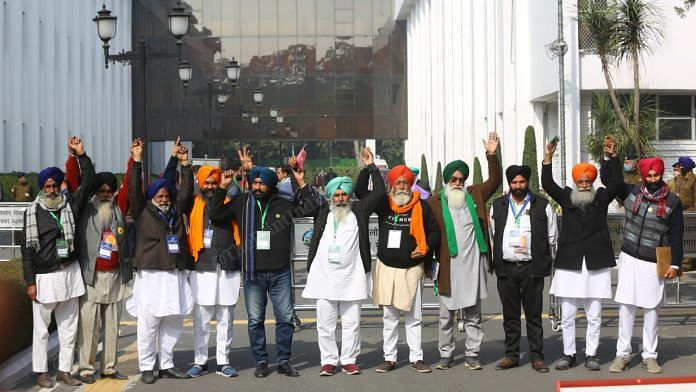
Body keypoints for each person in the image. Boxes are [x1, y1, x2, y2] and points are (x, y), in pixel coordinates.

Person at [211, 149, 317, 378]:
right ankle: (261, 361)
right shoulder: (242, 202)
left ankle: (284, 361)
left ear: (271, 185)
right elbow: (215, 215)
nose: (257, 187)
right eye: (254, 183)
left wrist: (300, 181)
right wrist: (221, 187)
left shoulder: (285, 203)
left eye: (261, 183)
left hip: (280, 273)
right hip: (253, 274)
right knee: (255, 321)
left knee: (285, 319)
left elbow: (313, 207)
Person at [301, 147, 384, 376]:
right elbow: (307, 199)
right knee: (324, 323)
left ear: (349, 196)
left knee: (351, 323)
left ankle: (348, 359)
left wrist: (371, 167)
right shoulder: (321, 211)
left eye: (343, 194)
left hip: (352, 276)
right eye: (336, 195)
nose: (340, 198)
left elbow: (378, 193)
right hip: (324, 277)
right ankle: (328, 360)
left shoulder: (359, 209)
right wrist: (300, 180)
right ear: (330, 196)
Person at [22, 137, 95, 388]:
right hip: (45, 277)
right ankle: (41, 372)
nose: (52, 190)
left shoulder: (70, 206)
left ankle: (65, 370)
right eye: (48, 186)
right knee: (41, 329)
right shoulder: (32, 213)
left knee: (68, 327)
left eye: (55, 186)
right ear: (42, 188)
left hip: (70, 273)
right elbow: (27, 251)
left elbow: (89, 184)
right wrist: (30, 282)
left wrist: (81, 155)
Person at [542, 139, 621, 371]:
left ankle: (591, 354)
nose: (584, 184)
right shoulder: (566, 197)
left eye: (588, 181)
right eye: (580, 181)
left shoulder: (602, 197)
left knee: (594, 315)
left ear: (592, 182)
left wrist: (613, 157)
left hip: (595, 263)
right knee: (567, 314)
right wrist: (548, 158)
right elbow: (547, 183)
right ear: (575, 182)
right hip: (570, 263)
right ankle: (568, 354)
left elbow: (617, 183)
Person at [601, 157, 683, 374]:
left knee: (651, 310)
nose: (653, 179)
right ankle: (623, 355)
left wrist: (675, 265)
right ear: (643, 176)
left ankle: (650, 356)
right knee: (626, 308)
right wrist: (612, 158)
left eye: (656, 175)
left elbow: (676, 236)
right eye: (649, 175)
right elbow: (609, 180)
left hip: (654, 262)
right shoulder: (631, 192)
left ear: (661, 175)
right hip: (629, 258)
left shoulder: (673, 202)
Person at [356, 165, 440, 374]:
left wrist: (425, 249)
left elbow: (434, 232)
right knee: (390, 317)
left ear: (410, 185)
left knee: (414, 316)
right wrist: (369, 168)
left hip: (412, 269)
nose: (401, 186)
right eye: (398, 182)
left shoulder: (421, 206)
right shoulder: (384, 204)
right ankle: (389, 358)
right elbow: (360, 191)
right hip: (386, 267)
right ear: (391, 185)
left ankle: (416, 357)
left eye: (405, 182)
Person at [429, 132, 501, 370]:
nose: (458, 183)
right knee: (445, 317)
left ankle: (472, 353)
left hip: (472, 267)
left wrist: (492, 154)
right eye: (454, 179)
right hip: (448, 268)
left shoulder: (476, 194)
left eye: (461, 179)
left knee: (473, 315)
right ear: (447, 181)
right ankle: (446, 354)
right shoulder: (435, 202)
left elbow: (495, 179)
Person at [126, 138, 195, 384]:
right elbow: (134, 191)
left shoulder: (176, 210)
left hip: (174, 273)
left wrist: (185, 165)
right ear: (153, 197)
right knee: (149, 324)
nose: (164, 199)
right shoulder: (142, 212)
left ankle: (166, 363)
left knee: (173, 322)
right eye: (160, 195)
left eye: (167, 195)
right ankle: (147, 366)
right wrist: (137, 160)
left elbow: (186, 193)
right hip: (152, 275)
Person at [489, 164, 557, 373]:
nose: (518, 186)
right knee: (510, 316)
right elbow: (493, 235)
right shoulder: (498, 205)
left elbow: (552, 236)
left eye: (522, 182)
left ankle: (537, 356)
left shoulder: (542, 205)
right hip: (507, 269)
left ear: (528, 183)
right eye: (514, 182)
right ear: (509, 184)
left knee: (534, 315)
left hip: (531, 268)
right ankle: (512, 355)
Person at [74, 156, 134, 383]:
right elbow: (78, 180)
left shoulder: (118, 209)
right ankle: (86, 368)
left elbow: (130, 187)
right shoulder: (85, 210)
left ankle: (109, 367)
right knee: (88, 328)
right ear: (95, 191)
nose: (105, 194)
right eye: (102, 190)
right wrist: (77, 156)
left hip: (115, 277)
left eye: (110, 191)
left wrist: (133, 161)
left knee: (112, 327)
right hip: (92, 277)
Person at [185, 165, 243, 378]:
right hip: (202, 267)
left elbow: (239, 193)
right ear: (199, 183)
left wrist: (228, 185)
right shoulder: (192, 203)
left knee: (225, 317)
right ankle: (200, 361)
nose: (209, 186)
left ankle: (223, 362)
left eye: (213, 182)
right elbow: (181, 194)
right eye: (206, 183)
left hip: (227, 266)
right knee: (201, 318)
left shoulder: (229, 203)